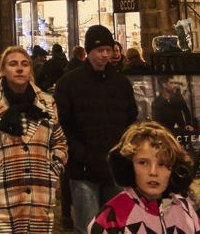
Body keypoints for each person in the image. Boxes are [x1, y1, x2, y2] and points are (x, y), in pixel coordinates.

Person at [0, 45, 67, 234]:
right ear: (3, 70)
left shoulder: (46, 103)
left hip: (39, 195)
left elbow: (59, 142)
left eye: (24, 64)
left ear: (30, 70)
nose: (19, 68)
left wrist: (54, 169)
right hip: (2, 194)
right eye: (13, 64)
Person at [53, 25, 139, 234]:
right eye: (100, 51)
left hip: (115, 169)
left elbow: (130, 118)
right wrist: (80, 153)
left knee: (117, 227)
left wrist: (124, 151)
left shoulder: (120, 83)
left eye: (108, 50)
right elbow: (61, 125)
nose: (104, 55)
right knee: (88, 228)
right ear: (88, 51)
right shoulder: (69, 83)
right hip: (83, 170)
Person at [87, 121, 200, 234]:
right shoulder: (111, 217)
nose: (153, 172)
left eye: (162, 164)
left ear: (174, 169)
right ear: (128, 166)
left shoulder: (184, 209)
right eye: (143, 163)